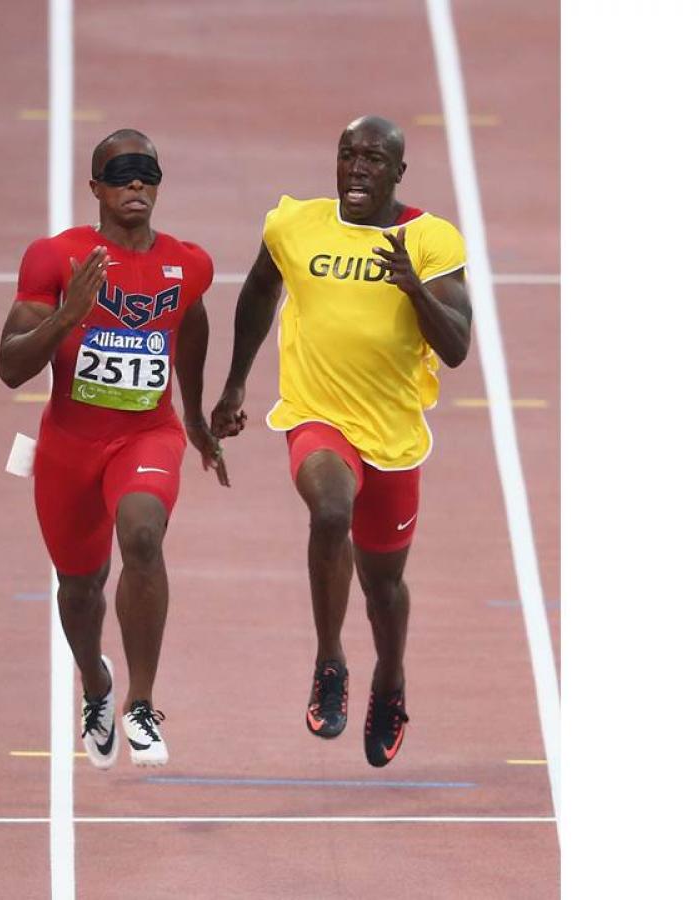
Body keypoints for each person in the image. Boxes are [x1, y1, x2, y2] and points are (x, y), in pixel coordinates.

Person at [211, 115, 471, 767]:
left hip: (393, 435)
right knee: (330, 512)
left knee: (384, 588)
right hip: (316, 414)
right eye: (348, 155)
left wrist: (415, 288)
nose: (358, 167)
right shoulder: (295, 225)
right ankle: (331, 662)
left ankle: (390, 680)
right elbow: (259, 292)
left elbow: (457, 347)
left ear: (398, 173)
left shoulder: (432, 240)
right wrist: (237, 386)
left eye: (374, 159)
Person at [0, 129, 228, 769]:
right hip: (70, 445)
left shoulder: (190, 263)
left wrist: (197, 415)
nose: (135, 184)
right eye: (121, 173)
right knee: (79, 588)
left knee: (143, 535)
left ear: (158, 184)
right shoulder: (54, 258)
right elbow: (10, 368)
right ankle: (95, 684)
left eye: (146, 173)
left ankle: (141, 703)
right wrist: (65, 318)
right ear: (95, 186)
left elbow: (193, 321)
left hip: (145, 435)